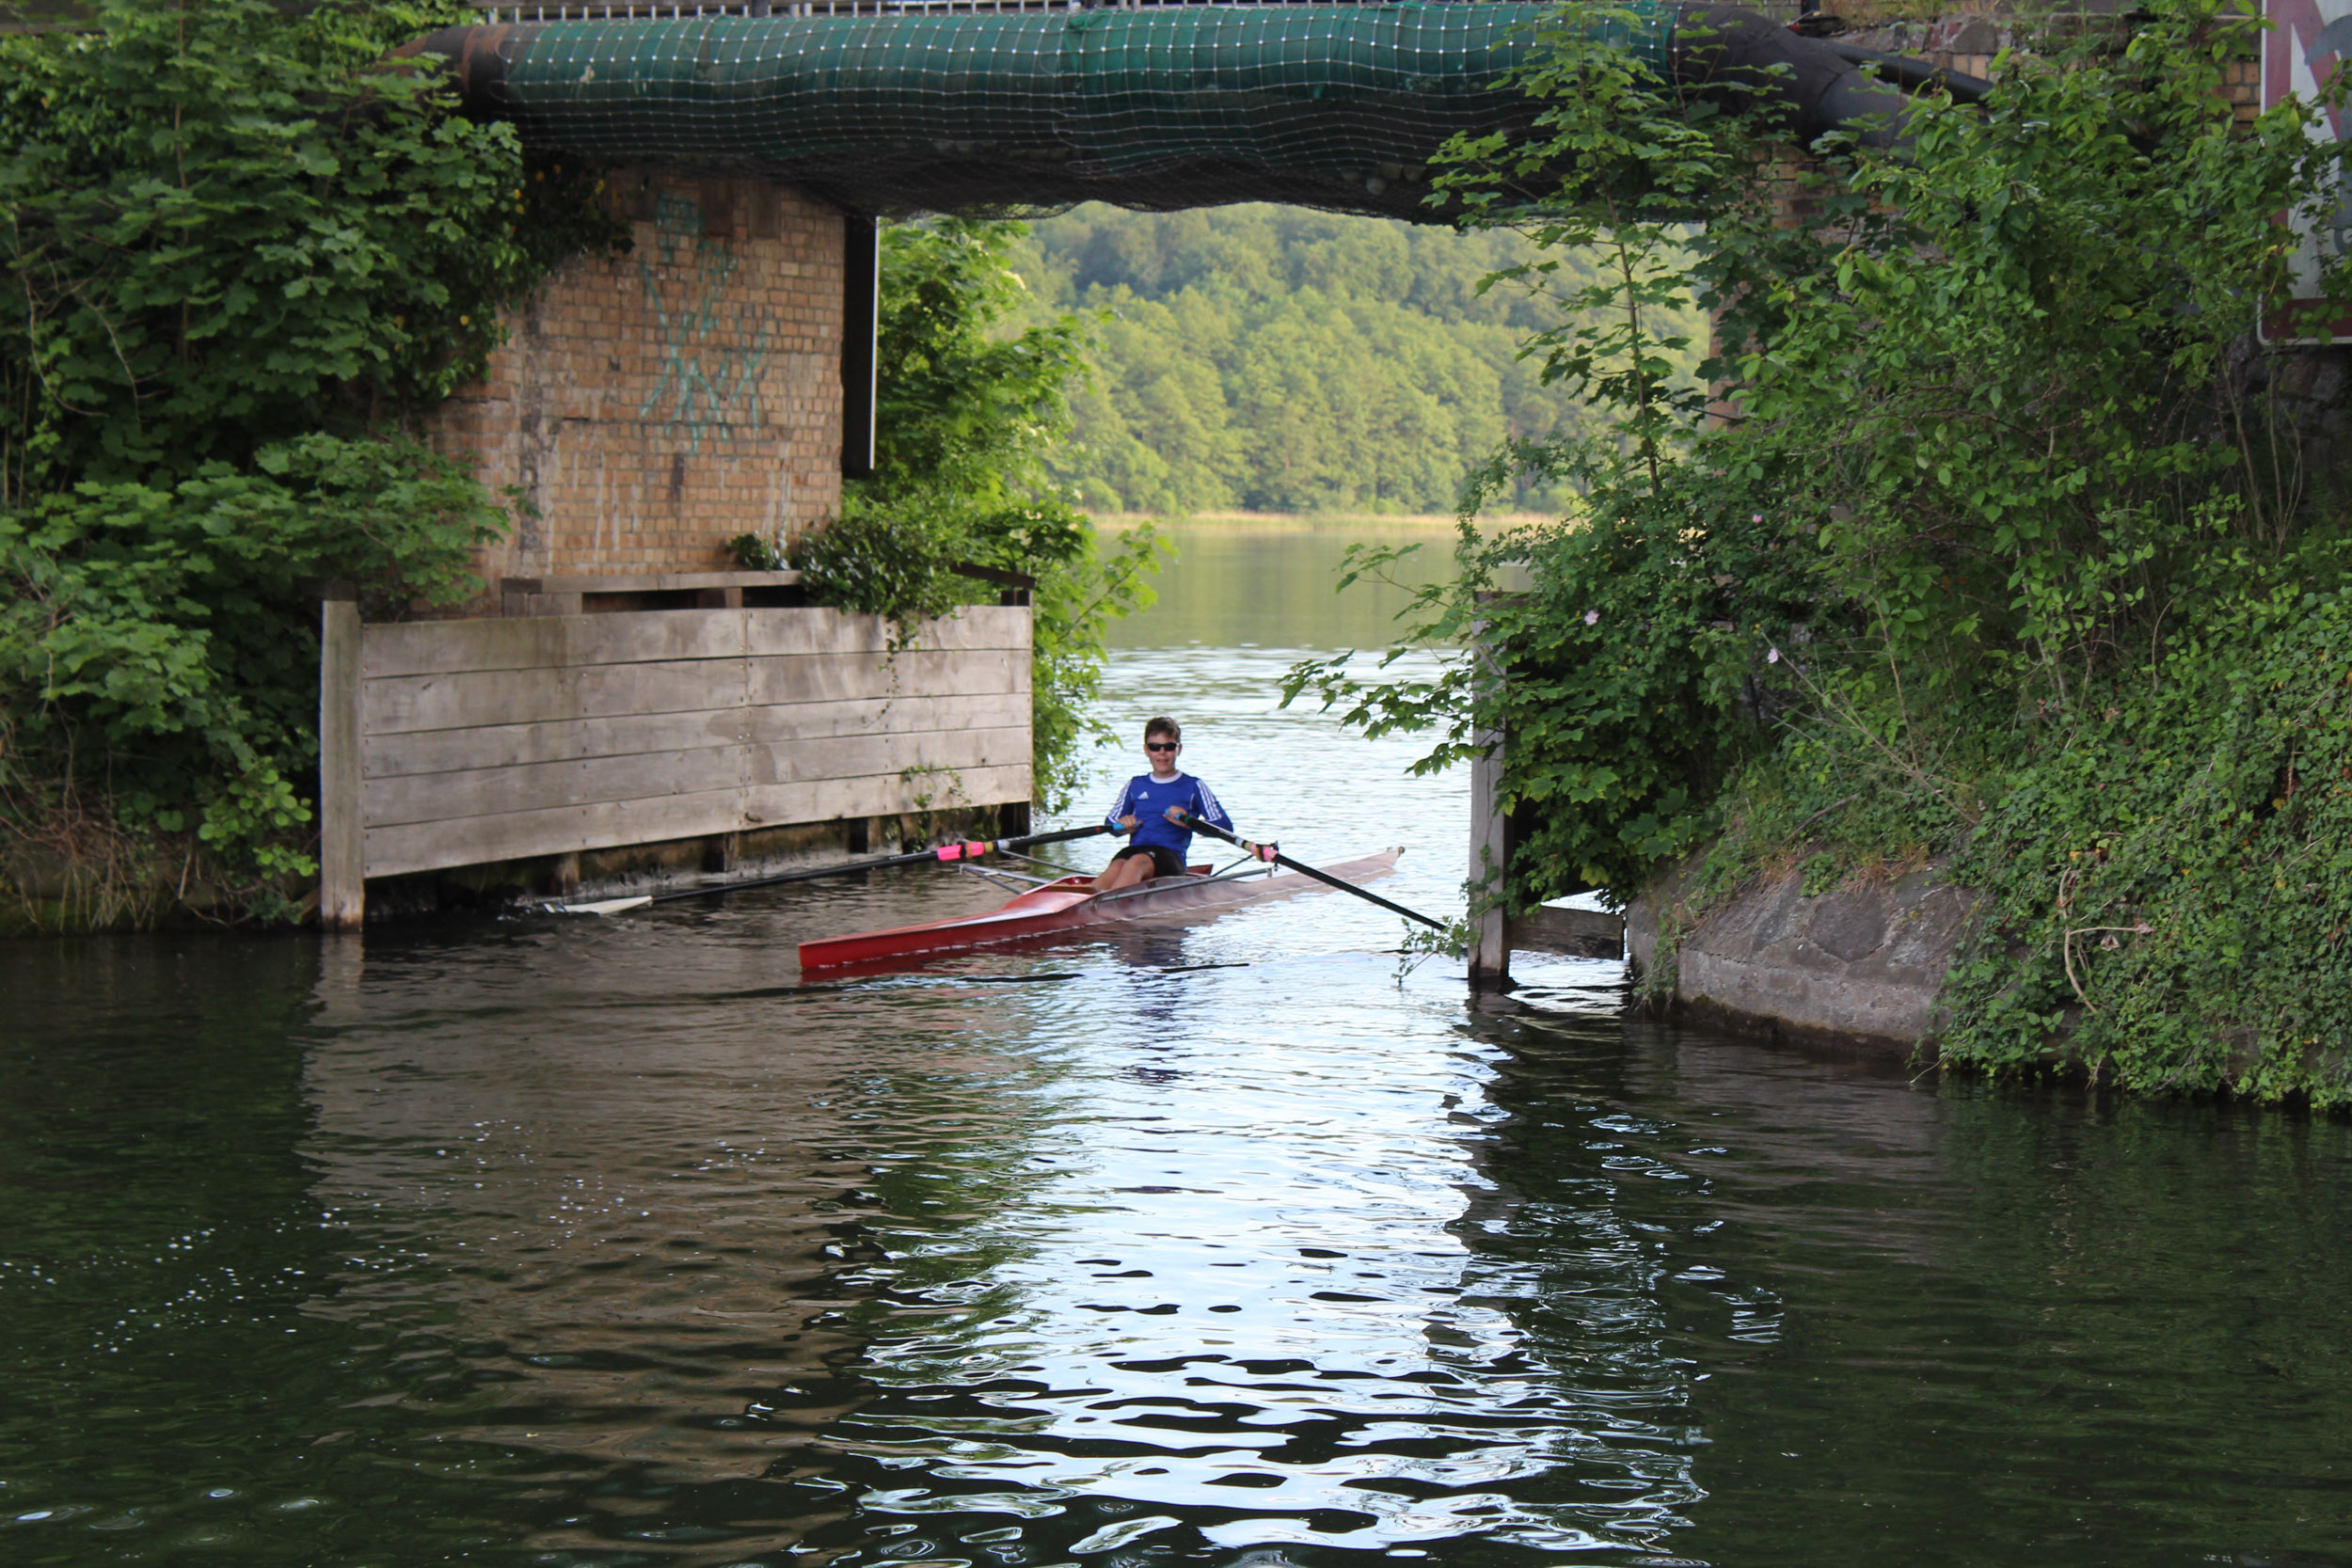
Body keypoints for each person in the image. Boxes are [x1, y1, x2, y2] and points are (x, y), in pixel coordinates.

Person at [1089, 716, 1272, 894]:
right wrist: (1122, 826)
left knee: (1136, 862)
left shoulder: (1193, 786)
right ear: (1146, 750)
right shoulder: (1134, 785)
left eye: (1169, 747)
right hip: (1134, 850)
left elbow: (1224, 826)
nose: (1162, 752)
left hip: (1169, 857)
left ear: (1179, 749)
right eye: (1155, 747)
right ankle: (1082, 901)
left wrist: (1189, 821)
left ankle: (1104, 904)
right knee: (1118, 865)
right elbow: (1110, 824)